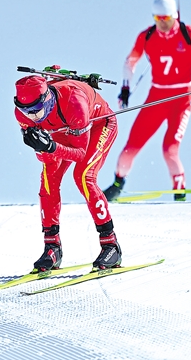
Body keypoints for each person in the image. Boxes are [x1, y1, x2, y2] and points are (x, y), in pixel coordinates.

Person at [15, 75, 122, 272]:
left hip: (98, 125)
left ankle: (111, 245)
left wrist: (50, 146)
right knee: (48, 179)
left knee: (83, 176)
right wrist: (41, 148)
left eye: (36, 109)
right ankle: (52, 247)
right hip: (63, 130)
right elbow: (46, 160)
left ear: (47, 99)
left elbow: (80, 154)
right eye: (26, 110)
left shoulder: (75, 102)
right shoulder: (24, 115)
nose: (33, 116)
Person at [103, 0, 191, 201]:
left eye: (166, 18)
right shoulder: (147, 36)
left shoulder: (190, 34)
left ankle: (179, 191)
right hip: (157, 98)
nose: (162, 23)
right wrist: (125, 88)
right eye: (157, 18)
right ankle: (118, 183)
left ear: (175, 16)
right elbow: (130, 62)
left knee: (169, 150)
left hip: (182, 99)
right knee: (131, 146)